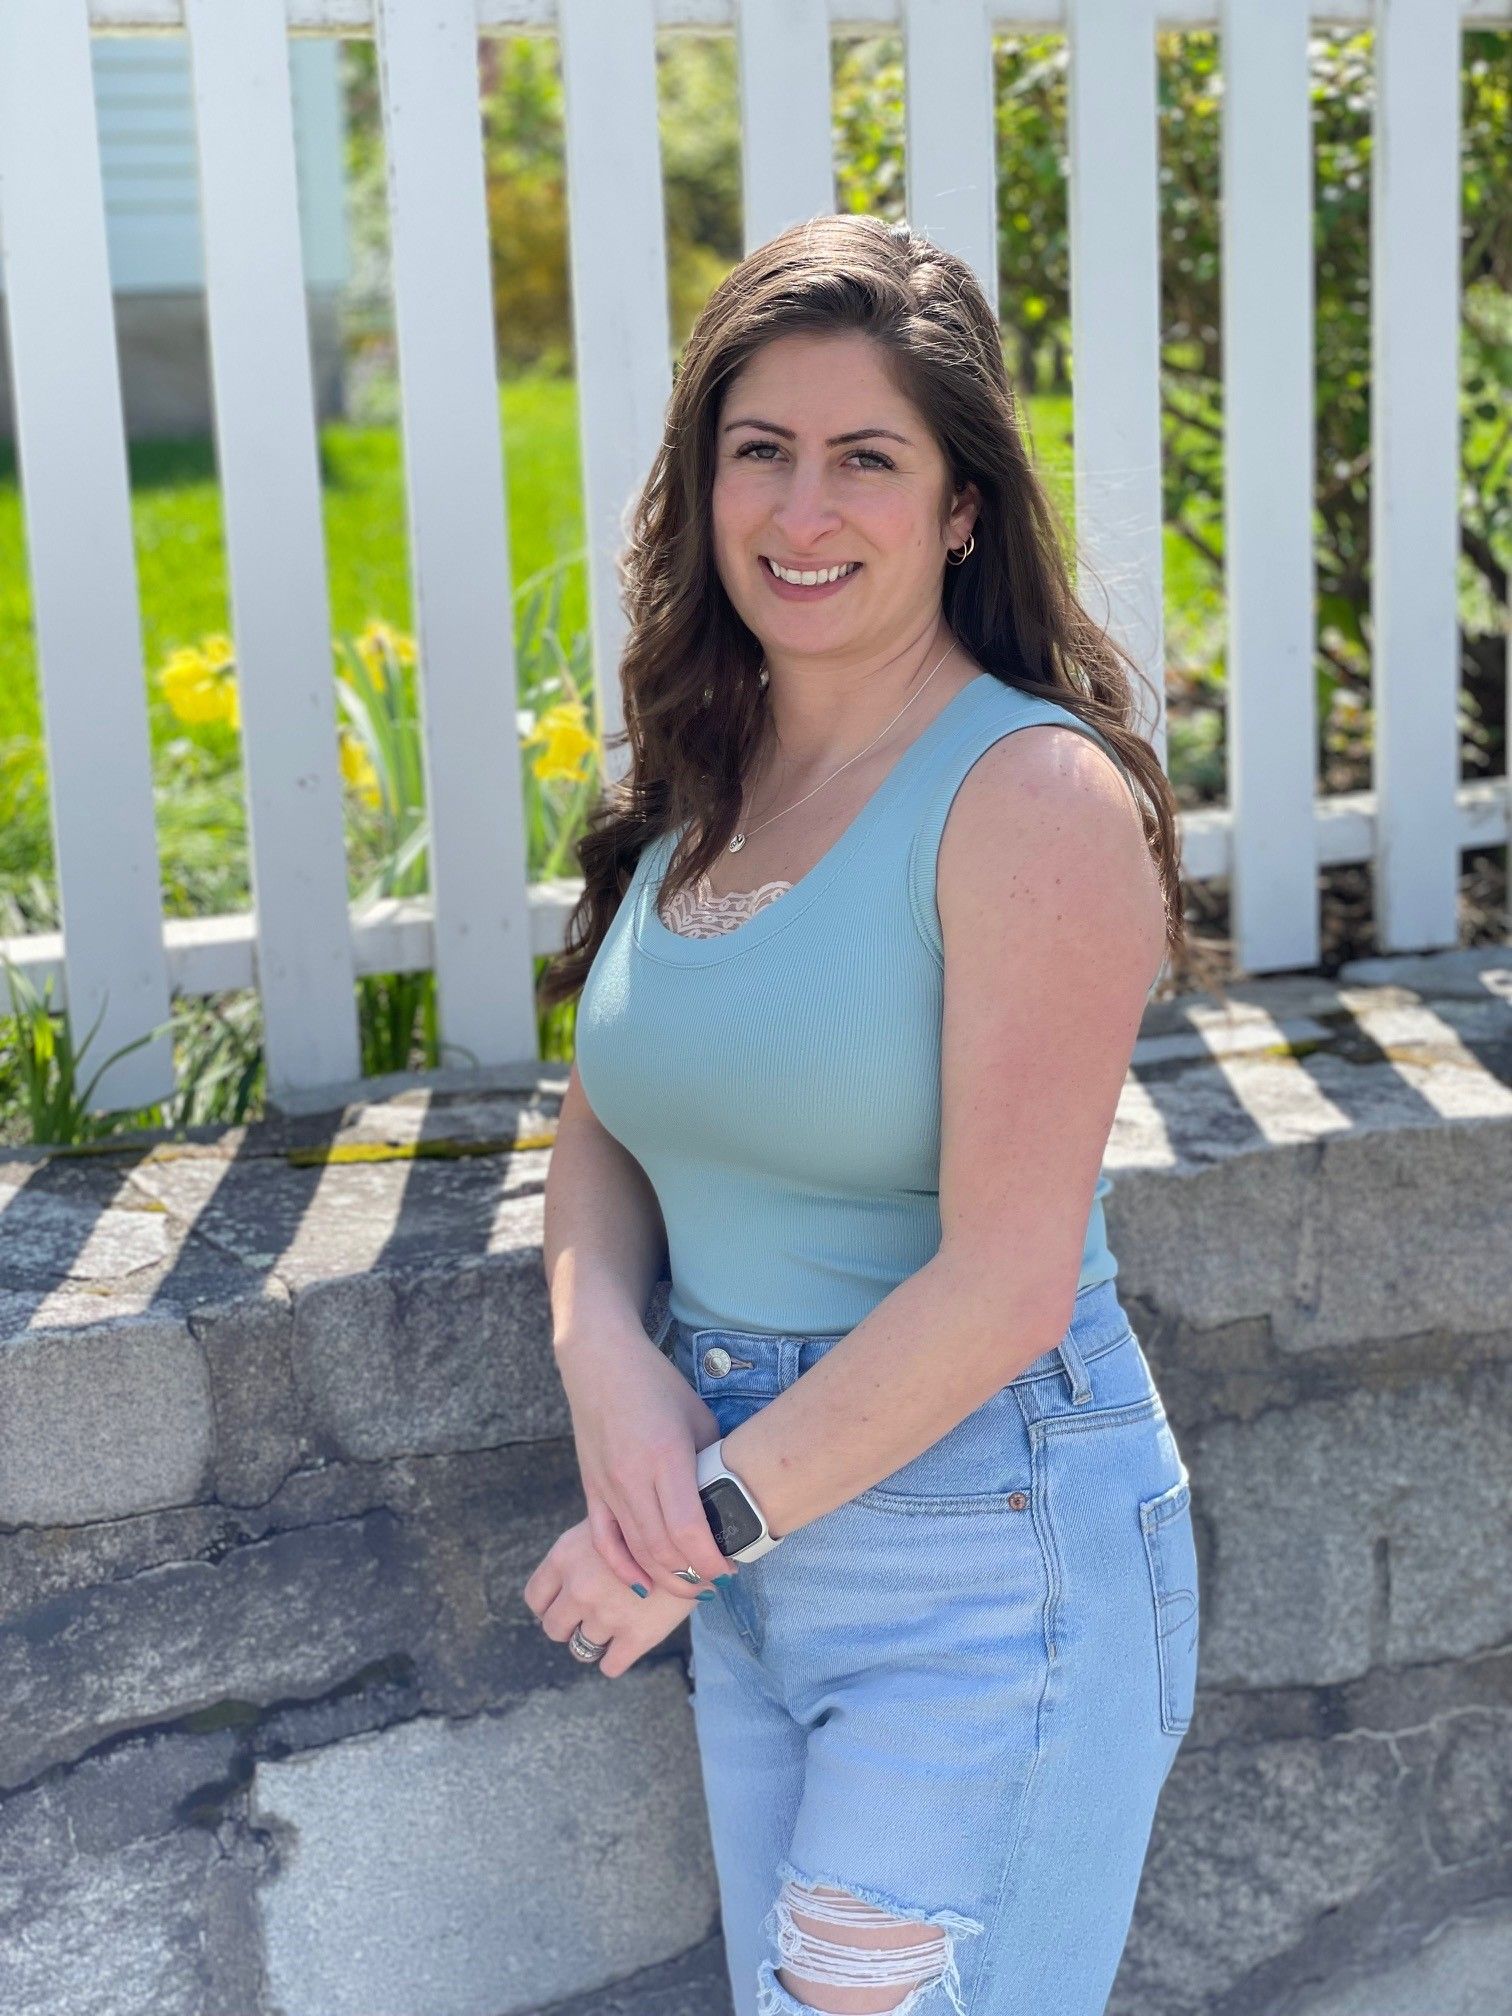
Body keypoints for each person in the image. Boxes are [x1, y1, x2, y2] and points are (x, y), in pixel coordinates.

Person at [524, 213, 1199, 2016]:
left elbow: (1007, 1286)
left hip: (979, 1555)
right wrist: (611, 1368)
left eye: (866, 460)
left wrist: (684, 1529)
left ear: (962, 506)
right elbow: (605, 1133)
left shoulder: (1031, 797)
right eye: (761, 450)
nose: (801, 509)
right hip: (752, 1544)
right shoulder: (713, 777)